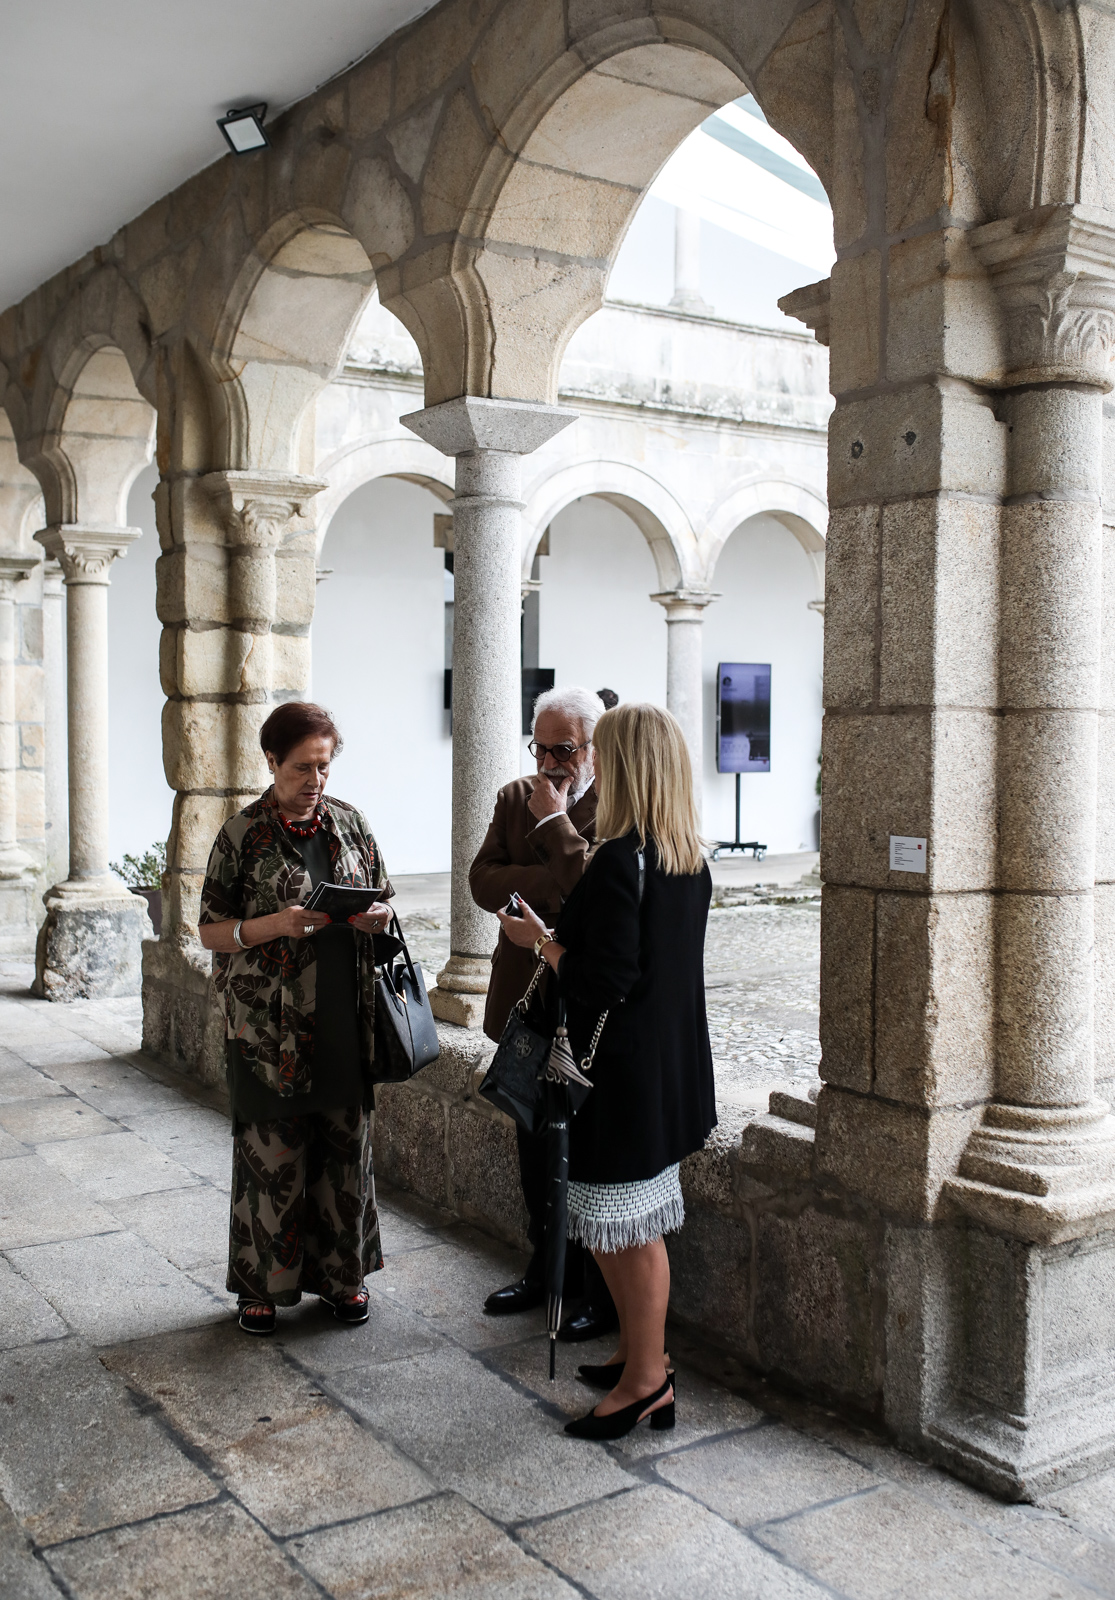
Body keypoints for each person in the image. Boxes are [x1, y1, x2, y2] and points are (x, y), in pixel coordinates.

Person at [496, 702, 715, 1439]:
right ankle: (636, 1355)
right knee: (630, 1223)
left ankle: (648, 1381)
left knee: (625, 1231)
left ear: (623, 766)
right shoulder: (685, 854)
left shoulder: (623, 857)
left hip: (619, 1077)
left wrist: (542, 944)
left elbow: (606, 980)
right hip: (666, 1071)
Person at [198, 701, 394, 1337]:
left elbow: (384, 899)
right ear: (272, 761)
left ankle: (344, 1279)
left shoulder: (351, 825)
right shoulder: (240, 835)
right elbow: (208, 931)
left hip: (343, 1018)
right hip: (265, 1029)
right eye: (303, 767)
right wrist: (273, 925)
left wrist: (377, 919)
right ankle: (261, 1286)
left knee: (344, 1153)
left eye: (325, 767)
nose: (316, 780)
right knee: (270, 1157)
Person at [470, 685, 617, 1339]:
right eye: (541, 747)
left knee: (584, 1150)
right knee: (532, 1141)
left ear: (591, 747)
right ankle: (542, 1268)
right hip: (524, 993)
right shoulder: (511, 798)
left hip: (584, 1002)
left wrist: (552, 848)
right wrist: (550, 885)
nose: (551, 762)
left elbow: (593, 892)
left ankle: (591, 1287)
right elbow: (481, 880)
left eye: (564, 748)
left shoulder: (615, 805)